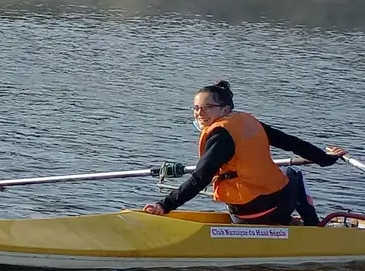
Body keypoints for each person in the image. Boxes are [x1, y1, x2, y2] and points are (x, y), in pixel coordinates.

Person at [142, 81, 346, 225]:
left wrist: (165, 205)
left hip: (244, 214)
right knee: (293, 174)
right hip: (265, 210)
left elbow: (200, 178)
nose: (199, 113)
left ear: (224, 110)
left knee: (291, 173)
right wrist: (325, 159)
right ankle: (310, 226)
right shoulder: (246, 122)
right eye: (196, 108)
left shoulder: (221, 134)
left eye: (207, 108)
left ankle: (300, 227)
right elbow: (291, 142)